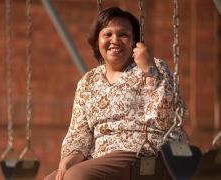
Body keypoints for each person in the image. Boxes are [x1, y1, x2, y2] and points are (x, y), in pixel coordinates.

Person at [45, 6, 187, 180]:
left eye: (123, 35)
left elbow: (168, 119)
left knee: (77, 176)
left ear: (135, 42)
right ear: (97, 40)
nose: (115, 40)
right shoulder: (88, 81)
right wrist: (67, 162)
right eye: (108, 34)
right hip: (100, 157)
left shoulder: (155, 67)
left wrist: (149, 71)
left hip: (142, 152)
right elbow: (78, 132)